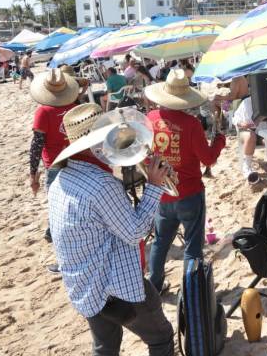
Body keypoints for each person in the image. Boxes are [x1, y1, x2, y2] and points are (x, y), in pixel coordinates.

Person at [48, 103, 175, 356]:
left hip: (84, 286)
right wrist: (154, 186)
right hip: (116, 288)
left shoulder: (59, 178)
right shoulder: (101, 184)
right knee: (161, 337)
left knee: (105, 347)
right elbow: (136, 231)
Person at [143, 70, 226, 293]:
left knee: (161, 242)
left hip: (161, 191)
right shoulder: (191, 124)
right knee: (192, 245)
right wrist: (219, 141)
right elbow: (208, 159)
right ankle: (192, 293)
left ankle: (155, 285)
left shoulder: (150, 119)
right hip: (189, 192)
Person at [28, 69, 80, 245]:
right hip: (76, 160)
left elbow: (37, 144)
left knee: (56, 204)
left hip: (55, 163)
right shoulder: (75, 108)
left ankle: (55, 232)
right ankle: (53, 230)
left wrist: (32, 173)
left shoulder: (43, 111)